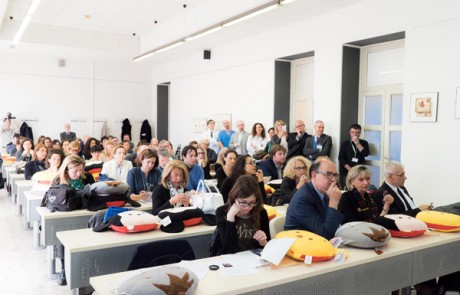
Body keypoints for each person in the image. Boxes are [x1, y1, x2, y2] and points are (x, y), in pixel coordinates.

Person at [52, 155, 95, 286]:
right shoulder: (58, 180)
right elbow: (53, 201)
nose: (79, 174)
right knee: (60, 236)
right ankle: (64, 269)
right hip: (65, 217)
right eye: (75, 171)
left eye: (81, 170)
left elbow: (93, 195)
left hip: (84, 213)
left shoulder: (87, 177)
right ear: (66, 170)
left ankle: (88, 268)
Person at [284, 158, 343, 240]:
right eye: (328, 174)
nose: (333, 180)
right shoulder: (303, 199)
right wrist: (333, 202)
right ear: (314, 175)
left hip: (316, 243)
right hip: (300, 246)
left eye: (335, 175)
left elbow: (336, 226)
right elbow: (326, 235)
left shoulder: (325, 192)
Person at [214, 175, 269, 255]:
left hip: (253, 259)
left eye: (252, 202)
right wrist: (230, 217)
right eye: (243, 202)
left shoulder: (261, 212)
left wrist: (263, 242)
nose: (247, 207)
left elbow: (268, 248)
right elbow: (229, 250)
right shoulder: (222, 212)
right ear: (234, 197)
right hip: (230, 261)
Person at [338, 123, 369, 188]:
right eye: (353, 132)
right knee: (346, 188)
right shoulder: (345, 143)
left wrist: (357, 143)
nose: (354, 134)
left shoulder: (364, 142)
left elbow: (365, 153)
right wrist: (350, 169)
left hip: (359, 171)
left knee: (358, 188)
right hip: (347, 171)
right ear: (350, 133)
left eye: (357, 132)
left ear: (360, 133)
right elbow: (341, 157)